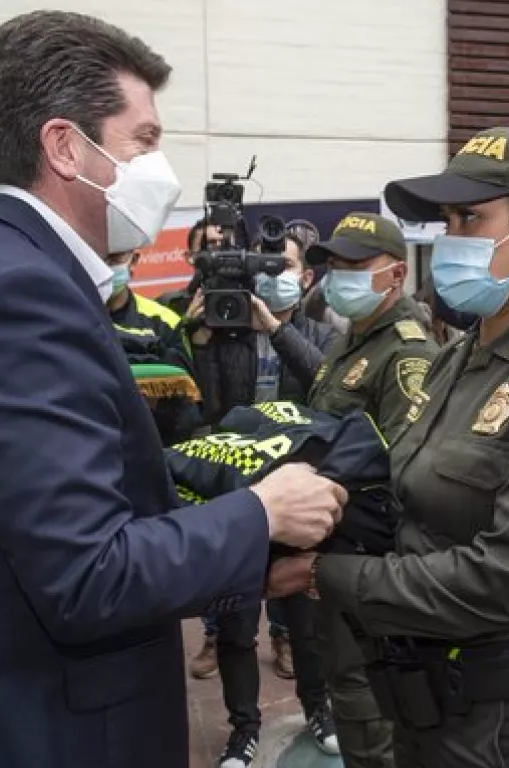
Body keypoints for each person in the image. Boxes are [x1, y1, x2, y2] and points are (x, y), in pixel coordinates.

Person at [0, 12, 345, 768]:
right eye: (144, 141)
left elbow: (37, 530)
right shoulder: (19, 297)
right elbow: (87, 575)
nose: (162, 169)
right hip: (33, 731)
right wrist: (262, 511)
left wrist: (246, 564)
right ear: (65, 147)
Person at [269, 127, 509, 768]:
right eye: (446, 221)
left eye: (470, 218)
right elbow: (408, 511)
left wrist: (322, 575)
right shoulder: (457, 360)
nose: (450, 238)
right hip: (428, 711)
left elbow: (507, 579)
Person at [290, 211, 441, 768]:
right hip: (335, 545)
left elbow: (406, 471)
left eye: (355, 265)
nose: (340, 276)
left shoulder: (406, 353)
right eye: (334, 264)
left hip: (370, 559)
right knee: (345, 681)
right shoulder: (349, 343)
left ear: (396, 274)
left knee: (366, 697)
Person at [186, 231, 341, 764]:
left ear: (305, 276)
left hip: (298, 492)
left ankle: (319, 709)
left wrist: (275, 329)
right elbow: (209, 410)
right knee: (235, 622)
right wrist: (201, 341)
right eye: (266, 268)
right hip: (240, 496)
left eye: (284, 266)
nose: (273, 277)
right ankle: (243, 730)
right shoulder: (225, 332)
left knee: (304, 619)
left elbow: (325, 385)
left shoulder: (321, 333)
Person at [105, 248, 202, 445]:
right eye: (99, 258)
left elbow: (188, 406)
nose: (105, 266)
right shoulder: (70, 317)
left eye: (115, 258)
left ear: (134, 261)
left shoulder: (165, 321)